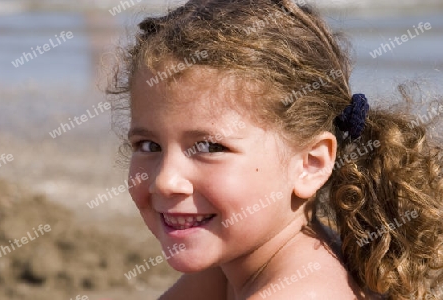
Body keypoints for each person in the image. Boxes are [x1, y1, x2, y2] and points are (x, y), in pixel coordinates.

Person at [106, 0, 443, 299]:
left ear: (310, 163)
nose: (165, 181)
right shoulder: (235, 265)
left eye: (209, 146)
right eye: (149, 145)